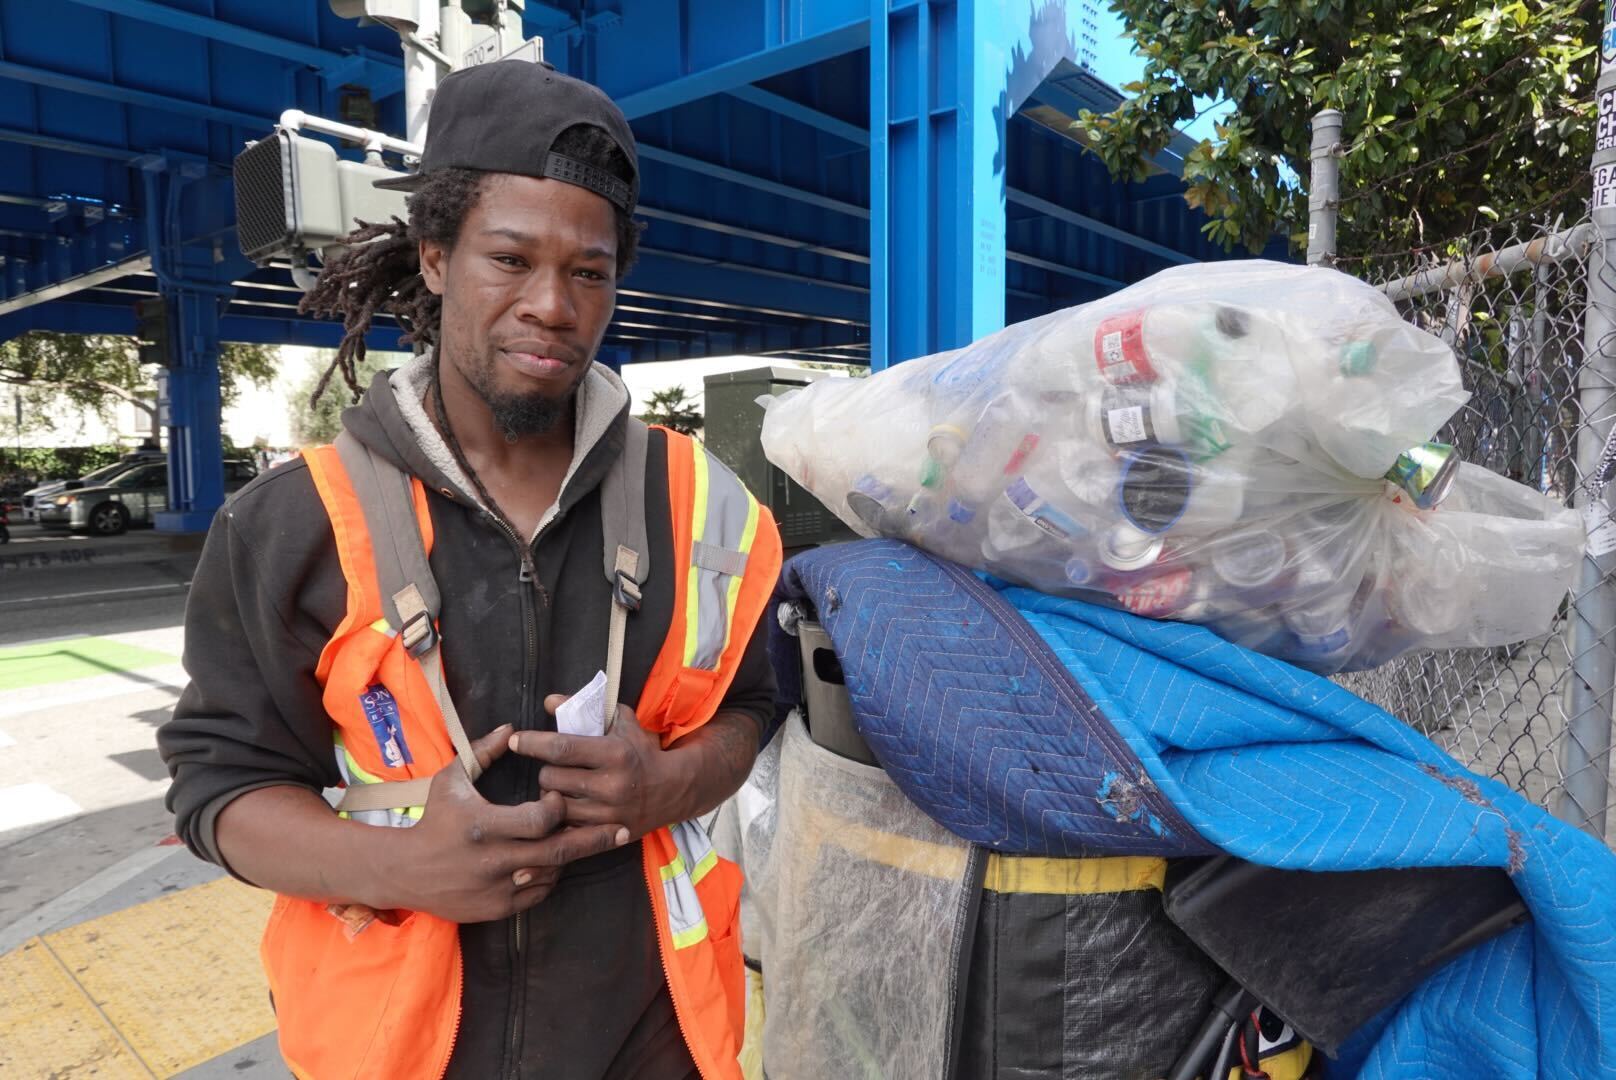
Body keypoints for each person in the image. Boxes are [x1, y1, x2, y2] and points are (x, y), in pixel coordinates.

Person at [159, 59, 781, 1079]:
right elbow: (221, 785)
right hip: (403, 1047)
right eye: (509, 258)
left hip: (654, 1038)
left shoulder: (705, 504)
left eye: (589, 271)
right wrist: (404, 865)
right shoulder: (292, 523)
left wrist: (668, 782)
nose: (552, 304)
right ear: (436, 256)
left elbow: (752, 706)